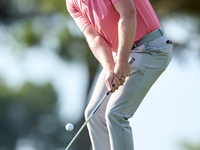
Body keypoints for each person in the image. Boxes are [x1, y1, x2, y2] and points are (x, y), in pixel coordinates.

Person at [66, 0, 172, 149]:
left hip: (151, 48)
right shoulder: (72, 2)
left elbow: (128, 14)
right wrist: (110, 68)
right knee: (93, 114)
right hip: (120, 55)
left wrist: (122, 62)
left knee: (115, 113)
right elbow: (95, 38)